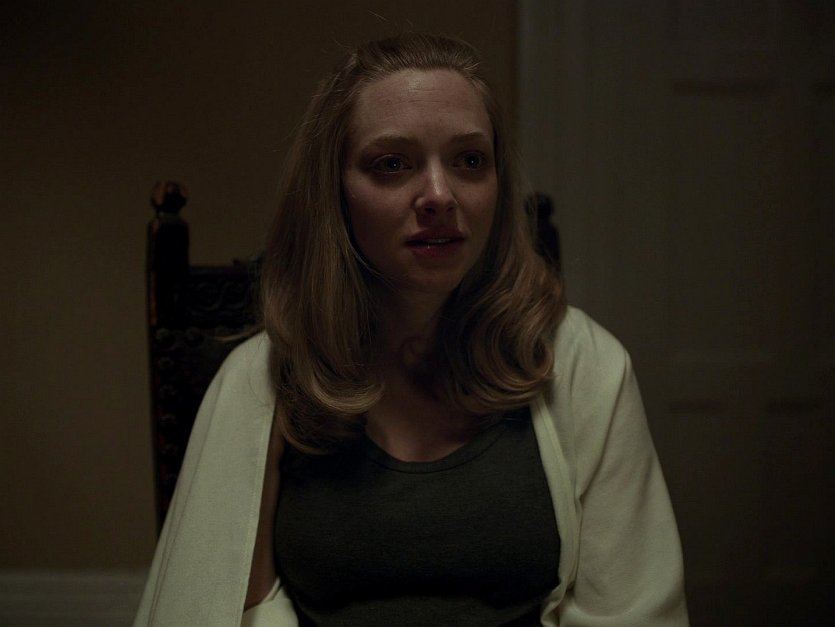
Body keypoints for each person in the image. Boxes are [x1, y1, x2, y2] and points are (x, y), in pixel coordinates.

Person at [134, 33, 689, 626]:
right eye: (392, 164)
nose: (440, 196)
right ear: (334, 193)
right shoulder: (262, 380)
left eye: (469, 160)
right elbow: (233, 610)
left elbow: (630, 611)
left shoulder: (584, 365)